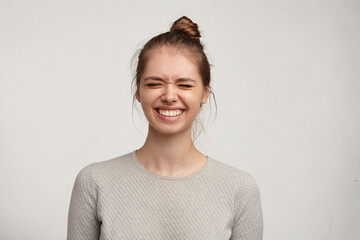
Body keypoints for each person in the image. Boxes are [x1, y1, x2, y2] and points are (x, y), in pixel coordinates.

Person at [67, 16, 263, 240]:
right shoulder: (94, 182)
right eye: (154, 84)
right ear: (138, 91)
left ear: (205, 93)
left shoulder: (240, 189)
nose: (169, 96)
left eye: (185, 85)